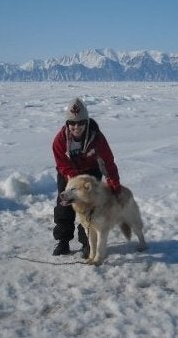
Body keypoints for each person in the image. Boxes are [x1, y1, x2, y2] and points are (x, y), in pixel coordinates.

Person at [52, 97, 121, 257]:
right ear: (67, 124)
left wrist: (114, 185)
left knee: (90, 208)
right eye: (72, 123)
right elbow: (62, 163)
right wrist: (75, 181)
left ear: (87, 122)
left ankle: (87, 243)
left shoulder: (97, 139)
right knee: (64, 205)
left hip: (91, 173)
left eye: (81, 122)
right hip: (68, 175)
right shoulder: (60, 141)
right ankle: (63, 241)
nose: (77, 126)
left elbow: (108, 163)